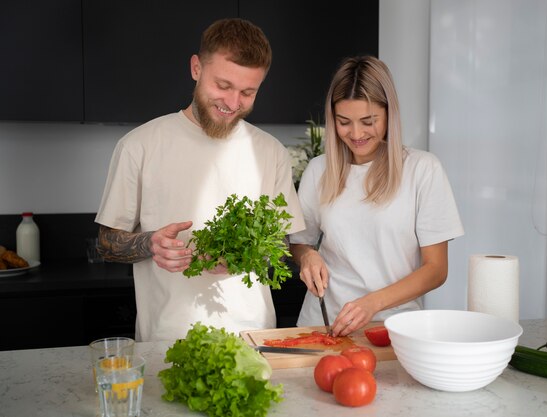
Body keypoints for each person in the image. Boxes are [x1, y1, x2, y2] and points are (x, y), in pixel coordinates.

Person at [95, 18, 305, 342]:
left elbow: (280, 245)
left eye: (248, 92)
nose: (233, 103)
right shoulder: (139, 145)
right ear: (196, 68)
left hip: (253, 337)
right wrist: (150, 243)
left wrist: (242, 257)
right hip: (166, 339)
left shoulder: (271, 152)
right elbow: (107, 243)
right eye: (223, 86)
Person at [290, 56, 464, 336]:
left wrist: (371, 304)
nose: (356, 133)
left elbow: (436, 270)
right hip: (323, 324)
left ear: (389, 115)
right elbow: (299, 243)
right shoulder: (318, 169)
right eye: (344, 122)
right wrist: (307, 256)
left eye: (369, 121)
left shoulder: (422, 169)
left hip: (393, 328)